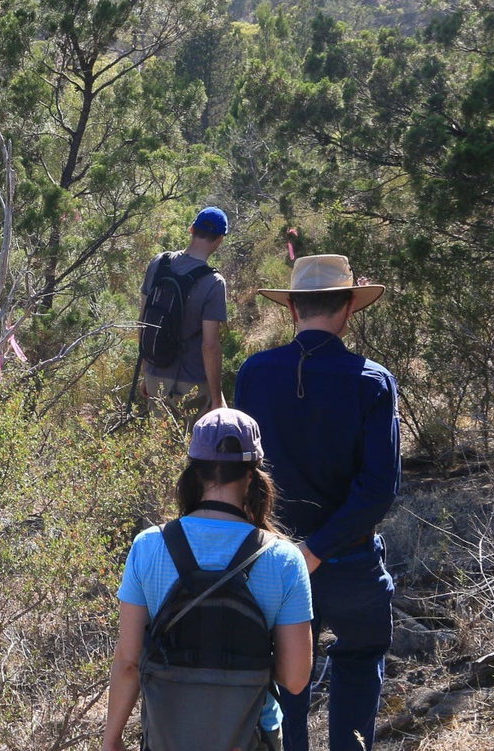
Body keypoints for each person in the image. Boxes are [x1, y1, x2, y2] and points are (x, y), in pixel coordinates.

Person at [234, 255, 400, 751]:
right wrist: (321, 547)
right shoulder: (371, 380)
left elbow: (243, 472)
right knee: (358, 661)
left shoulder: (255, 374)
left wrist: (291, 551)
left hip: (274, 561)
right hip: (348, 558)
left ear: (293, 310)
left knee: (287, 680)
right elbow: (378, 488)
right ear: (349, 307)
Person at [103, 408, 313, 751]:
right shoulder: (284, 559)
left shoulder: (149, 546)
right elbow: (294, 679)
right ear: (253, 475)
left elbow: (128, 662)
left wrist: (112, 739)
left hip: (168, 736)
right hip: (252, 738)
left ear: (194, 471)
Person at [139, 205, 230, 411]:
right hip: (191, 384)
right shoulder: (214, 282)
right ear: (220, 239)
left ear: (191, 229)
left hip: (156, 375)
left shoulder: (159, 263)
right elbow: (210, 346)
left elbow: (143, 321)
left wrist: (147, 371)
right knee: (193, 442)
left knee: (157, 441)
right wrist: (217, 399)